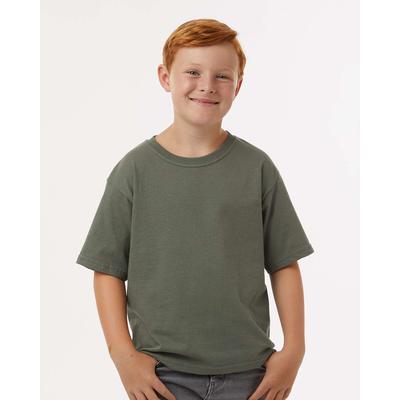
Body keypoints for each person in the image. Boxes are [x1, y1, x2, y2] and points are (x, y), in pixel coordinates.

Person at [76, 18, 315, 400]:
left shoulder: (257, 168)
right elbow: (107, 270)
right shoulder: (134, 170)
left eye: (222, 75)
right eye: (193, 72)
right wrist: (123, 356)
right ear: (165, 77)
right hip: (161, 375)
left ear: (238, 85)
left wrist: (294, 351)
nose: (207, 85)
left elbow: (284, 262)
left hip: (250, 374)